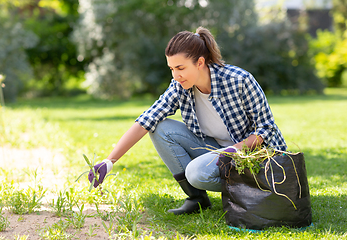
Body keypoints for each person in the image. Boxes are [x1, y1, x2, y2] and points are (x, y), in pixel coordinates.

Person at [88, 26, 287, 215]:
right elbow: (146, 120)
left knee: (197, 173)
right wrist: (109, 161)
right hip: (218, 149)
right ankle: (197, 199)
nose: (176, 75)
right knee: (160, 128)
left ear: (200, 63)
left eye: (180, 68)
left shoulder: (239, 80)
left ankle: (250, 192)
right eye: (171, 69)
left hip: (253, 157)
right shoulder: (180, 86)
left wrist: (234, 150)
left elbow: (266, 129)